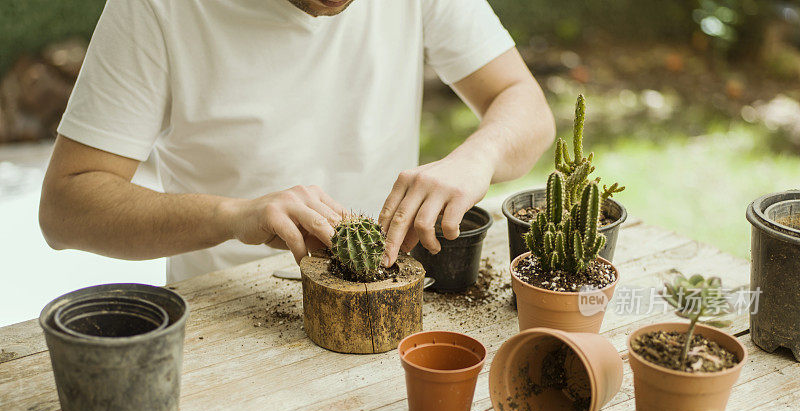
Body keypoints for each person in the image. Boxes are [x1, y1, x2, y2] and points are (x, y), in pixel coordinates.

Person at [39, 0, 555, 282]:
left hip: (390, 299)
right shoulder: (155, 8)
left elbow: (523, 103)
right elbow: (66, 205)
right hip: (228, 323)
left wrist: (477, 157)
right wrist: (232, 215)